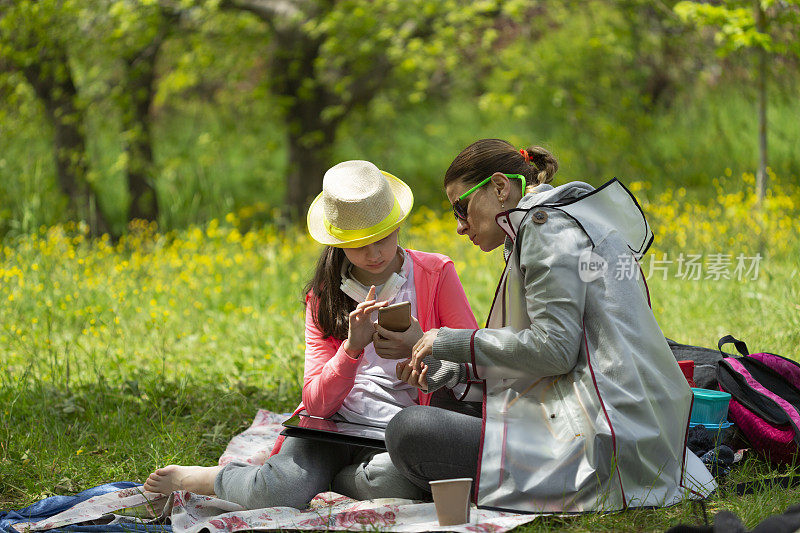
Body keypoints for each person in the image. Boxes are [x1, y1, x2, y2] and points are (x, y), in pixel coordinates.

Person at [382, 139, 717, 513]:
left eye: (461, 207)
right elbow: (561, 353)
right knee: (444, 398)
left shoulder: (546, 227)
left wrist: (448, 340)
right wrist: (457, 372)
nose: (460, 226)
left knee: (409, 430)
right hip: (616, 423)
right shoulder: (555, 218)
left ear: (499, 187)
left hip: (603, 445)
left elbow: (554, 351)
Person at [143, 160, 478, 509]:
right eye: (359, 243)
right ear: (337, 242)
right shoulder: (325, 295)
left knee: (399, 485)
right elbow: (317, 404)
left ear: (398, 225)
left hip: (398, 434)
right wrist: (350, 350)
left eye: (383, 238)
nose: (374, 253)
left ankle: (323, 480)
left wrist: (420, 344)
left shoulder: (435, 273)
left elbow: (473, 361)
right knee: (276, 493)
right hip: (331, 428)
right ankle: (210, 478)